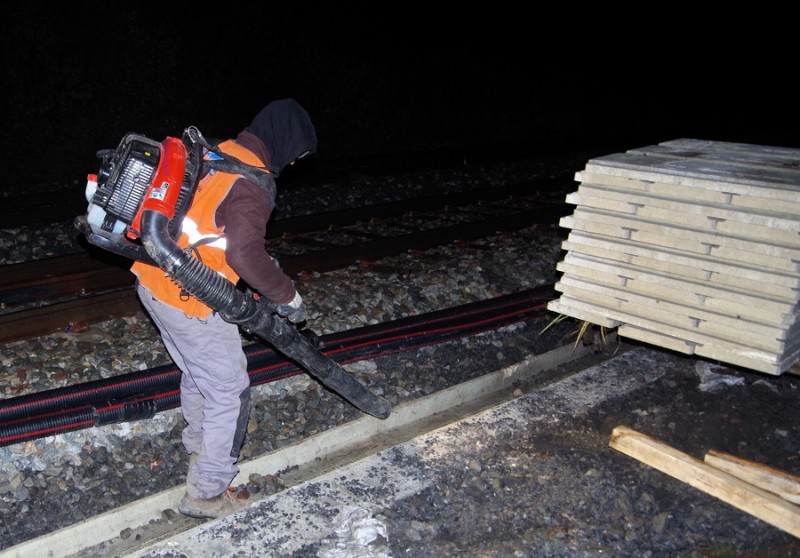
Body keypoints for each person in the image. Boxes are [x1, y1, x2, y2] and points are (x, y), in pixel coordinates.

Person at [131, 98, 317, 519]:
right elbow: (245, 255)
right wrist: (287, 295)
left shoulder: (218, 151)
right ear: (286, 143)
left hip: (152, 279)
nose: (293, 164)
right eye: (296, 155)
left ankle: (198, 446)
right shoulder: (252, 184)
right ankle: (207, 491)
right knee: (228, 390)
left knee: (200, 374)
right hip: (190, 297)